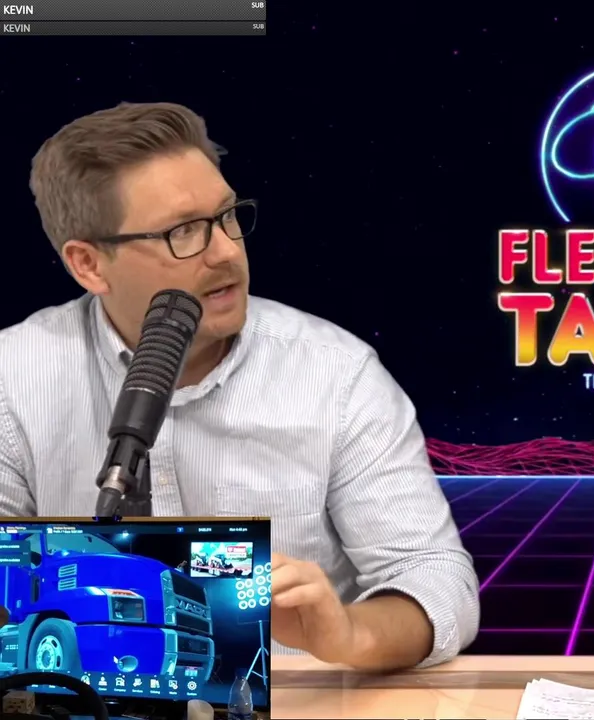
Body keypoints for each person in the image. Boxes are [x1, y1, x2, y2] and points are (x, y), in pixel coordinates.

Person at [0, 102, 479, 671]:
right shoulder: (14, 379)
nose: (227, 250)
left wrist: (350, 634)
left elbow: (436, 580)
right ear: (88, 265)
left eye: (227, 216)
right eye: (183, 232)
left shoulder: (336, 373)